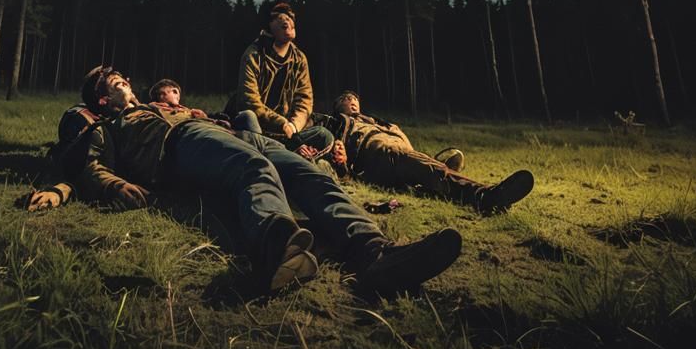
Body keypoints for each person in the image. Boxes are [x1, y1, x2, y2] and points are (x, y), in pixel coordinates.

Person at [80, 64, 463, 295]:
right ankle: (277, 244)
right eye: (115, 80)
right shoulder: (109, 126)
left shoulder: (161, 105)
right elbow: (91, 165)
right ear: (101, 98)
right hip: (180, 143)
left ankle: (375, 252)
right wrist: (114, 185)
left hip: (225, 131)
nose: (125, 80)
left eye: (123, 77)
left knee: (307, 174)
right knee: (253, 169)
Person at [317, 91, 534, 214]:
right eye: (347, 100)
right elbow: (325, 147)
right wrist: (342, 164)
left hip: (400, 155)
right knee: (425, 167)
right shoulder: (335, 124)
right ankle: (484, 195)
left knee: (423, 171)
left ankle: (445, 180)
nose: (353, 102)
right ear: (338, 106)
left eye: (355, 100)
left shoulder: (377, 121)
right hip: (379, 158)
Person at [232, 1, 333, 157]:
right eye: (279, 17)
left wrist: (294, 125)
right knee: (248, 118)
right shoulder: (253, 55)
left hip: (286, 133)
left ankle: (285, 153)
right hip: (257, 128)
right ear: (268, 27)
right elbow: (249, 101)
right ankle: (284, 155)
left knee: (323, 135)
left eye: (289, 16)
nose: (286, 20)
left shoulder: (299, 59)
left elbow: (304, 100)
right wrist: (281, 123)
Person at [150, 77, 262, 135]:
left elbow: (211, 118)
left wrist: (208, 117)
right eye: (163, 93)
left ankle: (259, 142)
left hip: (221, 125)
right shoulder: (157, 109)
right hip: (208, 131)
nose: (175, 95)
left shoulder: (188, 110)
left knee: (247, 114)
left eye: (176, 92)